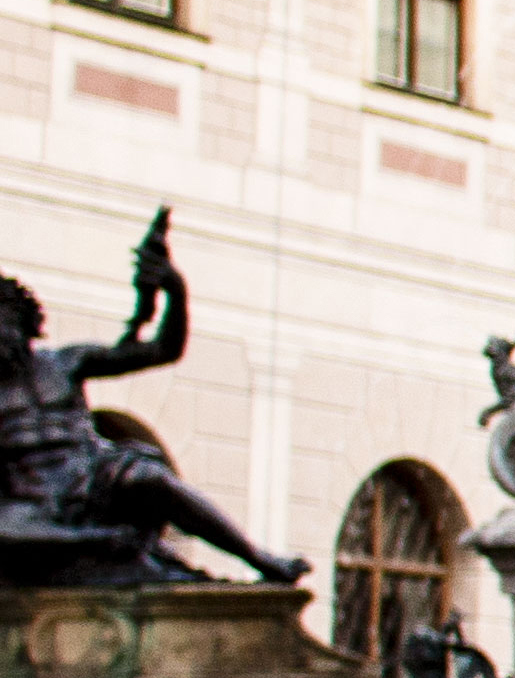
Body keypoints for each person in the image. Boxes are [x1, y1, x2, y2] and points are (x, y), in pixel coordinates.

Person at [0, 211, 303, 583]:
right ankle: (102, 542)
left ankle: (260, 558)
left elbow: (164, 350)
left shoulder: (67, 363)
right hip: (33, 503)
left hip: (94, 478)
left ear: (24, 323)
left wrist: (174, 290)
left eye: (3, 324)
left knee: (148, 479)